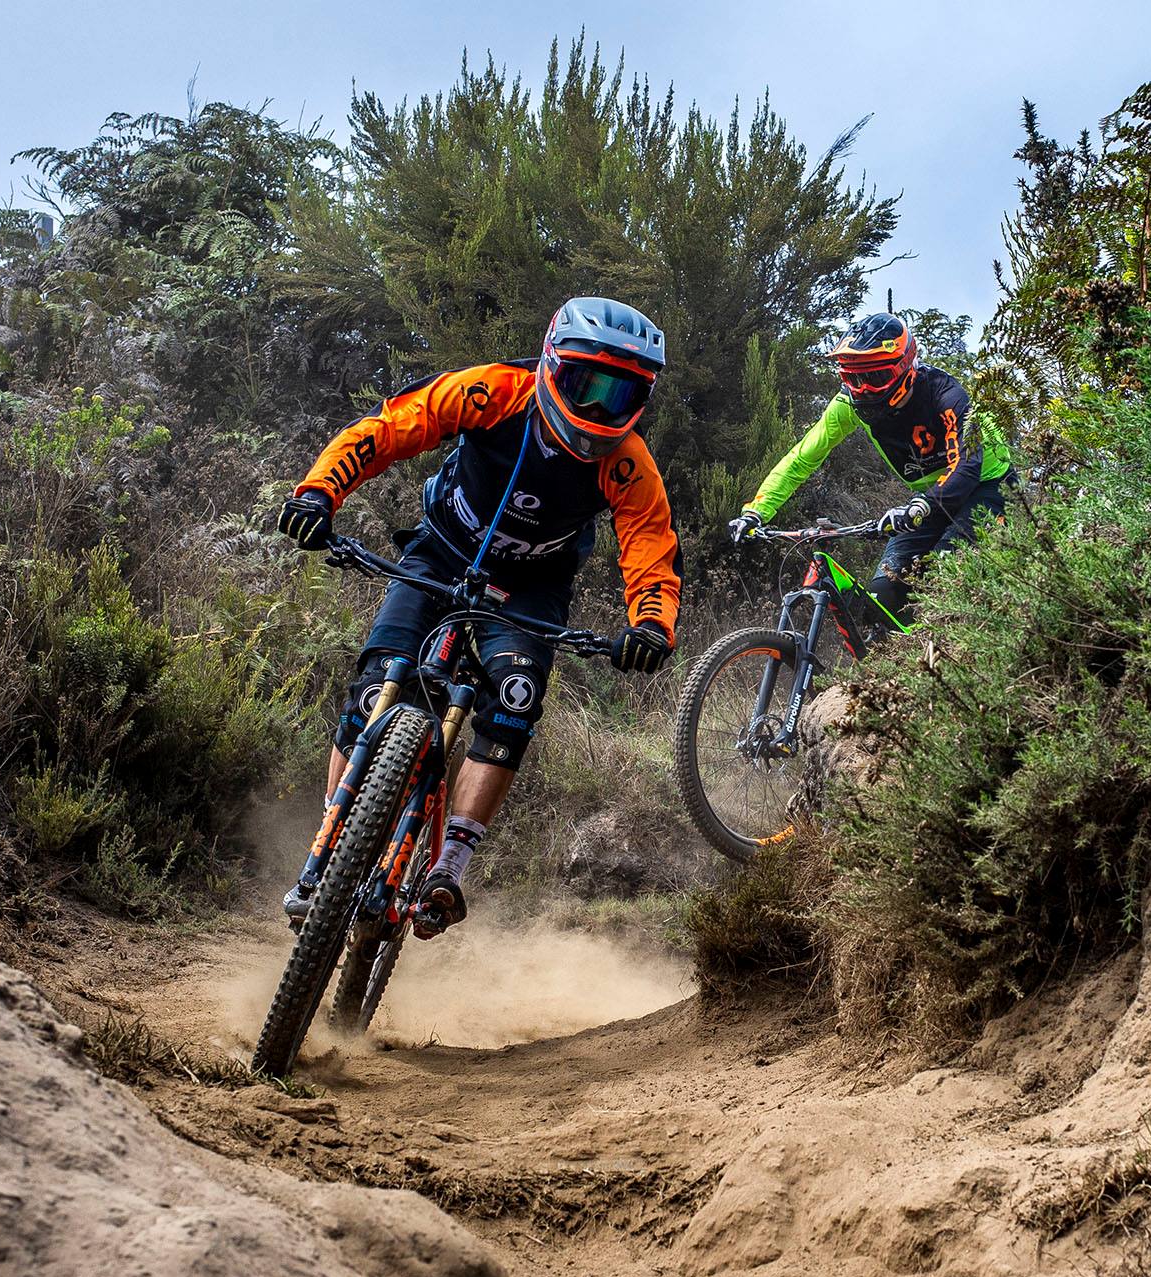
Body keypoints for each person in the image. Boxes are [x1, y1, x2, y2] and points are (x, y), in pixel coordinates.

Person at [276, 296, 682, 937]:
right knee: (376, 686)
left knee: (514, 703)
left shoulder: (627, 462)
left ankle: (450, 869)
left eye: (621, 393)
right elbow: (386, 431)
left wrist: (651, 626)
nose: (601, 408)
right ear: (552, 364)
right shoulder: (489, 391)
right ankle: (335, 838)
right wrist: (318, 494)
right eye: (587, 385)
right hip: (440, 553)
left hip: (531, 589)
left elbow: (651, 550)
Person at [727, 313, 1008, 630]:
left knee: (941, 584)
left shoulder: (946, 395)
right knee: (882, 598)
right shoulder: (848, 404)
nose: (862, 390)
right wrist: (755, 512)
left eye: (873, 378)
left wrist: (921, 504)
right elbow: (802, 458)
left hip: (987, 488)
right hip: (929, 499)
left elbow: (967, 465)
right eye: (851, 378)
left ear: (903, 367)